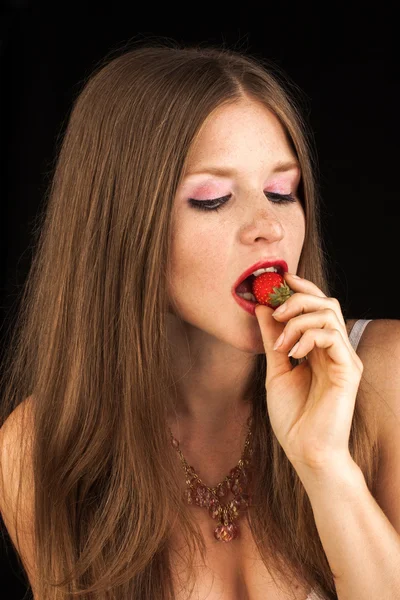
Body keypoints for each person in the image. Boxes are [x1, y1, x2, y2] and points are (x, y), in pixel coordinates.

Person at [0, 40, 399, 600]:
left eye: (282, 191)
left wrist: (325, 463)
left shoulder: (384, 377)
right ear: (122, 227)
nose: (268, 227)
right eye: (212, 199)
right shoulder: (37, 450)